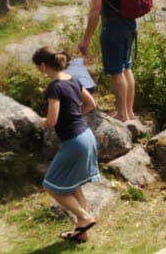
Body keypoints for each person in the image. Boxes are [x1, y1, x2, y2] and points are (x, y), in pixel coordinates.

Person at [33, 46, 100, 243]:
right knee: (74, 186)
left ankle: (85, 218)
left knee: (51, 186)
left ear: (43, 66)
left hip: (74, 141)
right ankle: (82, 233)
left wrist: (42, 122)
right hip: (86, 135)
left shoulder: (54, 87)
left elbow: (52, 121)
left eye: (38, 67)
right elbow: (91, 104)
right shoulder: (73, 80)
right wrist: (74, 116)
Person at [68, 0, 137, 122]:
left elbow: (95, 10)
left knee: (116, 71)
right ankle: (129, 112)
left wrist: (86, 40)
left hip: (113, 26)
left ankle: (122, 115)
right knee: (126, 67)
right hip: (130, 22)